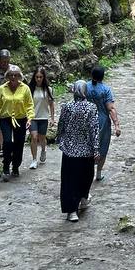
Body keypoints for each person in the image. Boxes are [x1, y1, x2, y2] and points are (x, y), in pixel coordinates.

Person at [57, 79, 100, 220]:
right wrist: (96, 149)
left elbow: (61, 125)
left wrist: (60, 140)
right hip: (86, 150)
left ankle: (72, 211)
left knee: (70, 181)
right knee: (86, 177)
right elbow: (94, 129)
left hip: (69, 150)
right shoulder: (91, 108)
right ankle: (83, 198)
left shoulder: (66, 107)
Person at [0, 65, 34, 181]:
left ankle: (15, 166)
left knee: (19, 144)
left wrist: (30, 118)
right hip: (5, 119)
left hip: (21, 118)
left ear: (20, 76)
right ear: (7, 76)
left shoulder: (25, 88)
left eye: (16, 75)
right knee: (8, 142)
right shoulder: (2, 88)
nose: (13, 77)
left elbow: (29, 105)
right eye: (11, 75)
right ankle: (6, 166)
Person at [87, 65, 120, 182]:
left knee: (88, 147)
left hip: (87, 121)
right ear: (103, 76)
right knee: (103, 147)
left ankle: (87, 171)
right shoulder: (106, 90)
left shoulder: (85, 87)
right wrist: (117, 125)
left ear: (92, 75)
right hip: (102, 122)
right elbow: (111, 108)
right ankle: (99, 173)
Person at [27, 67, 55, 169]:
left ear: (44, 78)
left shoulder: (48, 89)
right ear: (34, 77)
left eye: (40, 77)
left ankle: (43, 150)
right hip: (32, 117)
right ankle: (34, 160)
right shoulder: (29, 89)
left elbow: (51, 104)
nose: (38, 79)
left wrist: (52, 118)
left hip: (43, 117)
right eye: (37, 77)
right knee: (34, 137)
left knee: (42, 138)